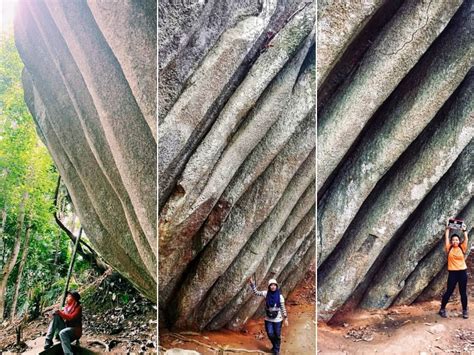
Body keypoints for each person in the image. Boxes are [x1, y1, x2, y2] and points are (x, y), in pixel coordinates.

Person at [248, 276, 288, 355]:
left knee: (277, 335)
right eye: (271, 285)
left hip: (278, 319)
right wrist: (252, 284)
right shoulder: (266, 293)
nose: (273, 286)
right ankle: (275, 345)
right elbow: (256, 292)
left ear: (276, 286)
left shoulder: (280, 296)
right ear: (269, 286)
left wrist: (286, 318)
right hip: (268, 318)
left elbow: (283, 308)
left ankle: (276, 350)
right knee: (270, 333)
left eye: (274, 285)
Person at [439, 220, 469, 319]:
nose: (455, 241)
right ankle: (442, 309)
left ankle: (465, 310)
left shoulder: (462, 247)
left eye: (456, 240)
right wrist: (447, 228)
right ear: (451, 241)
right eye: (453, 240)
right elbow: (446, 238)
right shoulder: (449, 248)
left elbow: (466, 238)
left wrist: (464, 230)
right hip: (453, 273)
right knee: (449, 291)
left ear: (459, 241)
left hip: (462, 272)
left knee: (463, 292)